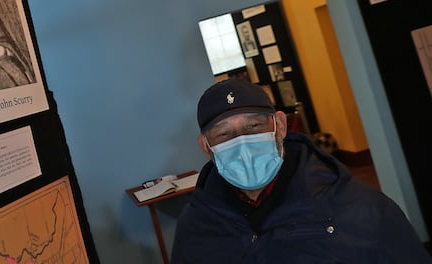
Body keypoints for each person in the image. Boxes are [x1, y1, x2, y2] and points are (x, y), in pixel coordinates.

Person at [171, 77, 432, 263]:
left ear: (280, 127)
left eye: (254, 126)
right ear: (206, 146)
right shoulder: (195, 227)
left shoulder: (366, 210)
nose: (242, 142)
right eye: (224, 133)